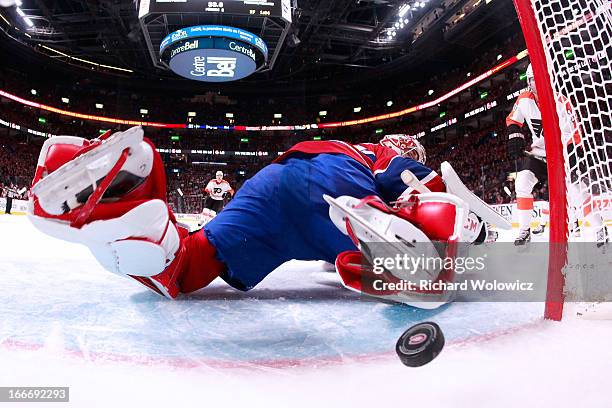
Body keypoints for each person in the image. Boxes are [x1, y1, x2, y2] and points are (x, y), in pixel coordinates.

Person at [27, 128, 496, 306]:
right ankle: (403, 252)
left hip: (270, 187)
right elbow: (428, 188)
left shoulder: (338, 148)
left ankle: (123, 214)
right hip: (335, 185)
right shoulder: (385, 154)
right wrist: (481, 234)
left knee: (188, 267)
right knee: (435, 228)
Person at [507, 63, 605, 245]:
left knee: (576, 190)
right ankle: (524, 230)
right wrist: (515, 135)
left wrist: (572, 154)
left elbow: (575, 132)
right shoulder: (523, 99)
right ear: (529, 82)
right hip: (539, 153)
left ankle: (600, 228)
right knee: (522, 182)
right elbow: (513, 119)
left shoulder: (561, 101)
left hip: (562, 154)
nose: (537, 84)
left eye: (540, 80)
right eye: (533, 81)